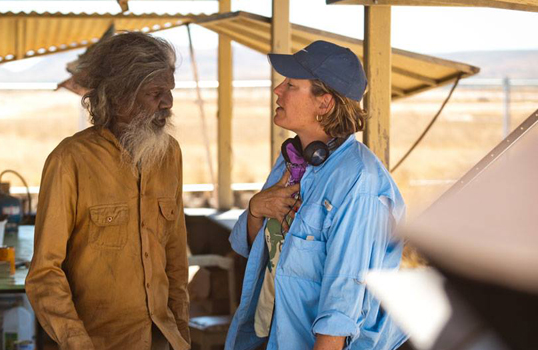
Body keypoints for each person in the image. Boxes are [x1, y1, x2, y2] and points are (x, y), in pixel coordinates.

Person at [225, 41, 407, 350]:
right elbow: (259, 252)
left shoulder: (357, 183)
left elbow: (343, 300)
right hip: (275, 336)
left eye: (291, 85)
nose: (277, 90)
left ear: (324, 104)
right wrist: (256, 209)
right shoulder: (291, 160)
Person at [25, 32, 190, 350]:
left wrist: (181, 335)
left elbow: (176, 261)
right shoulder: (69, 159)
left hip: (163, 339)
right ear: (118, 96)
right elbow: (44, 272)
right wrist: (77, 342)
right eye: (156, 93)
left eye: (169, 92)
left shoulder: (170, 154)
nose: (168, 104)